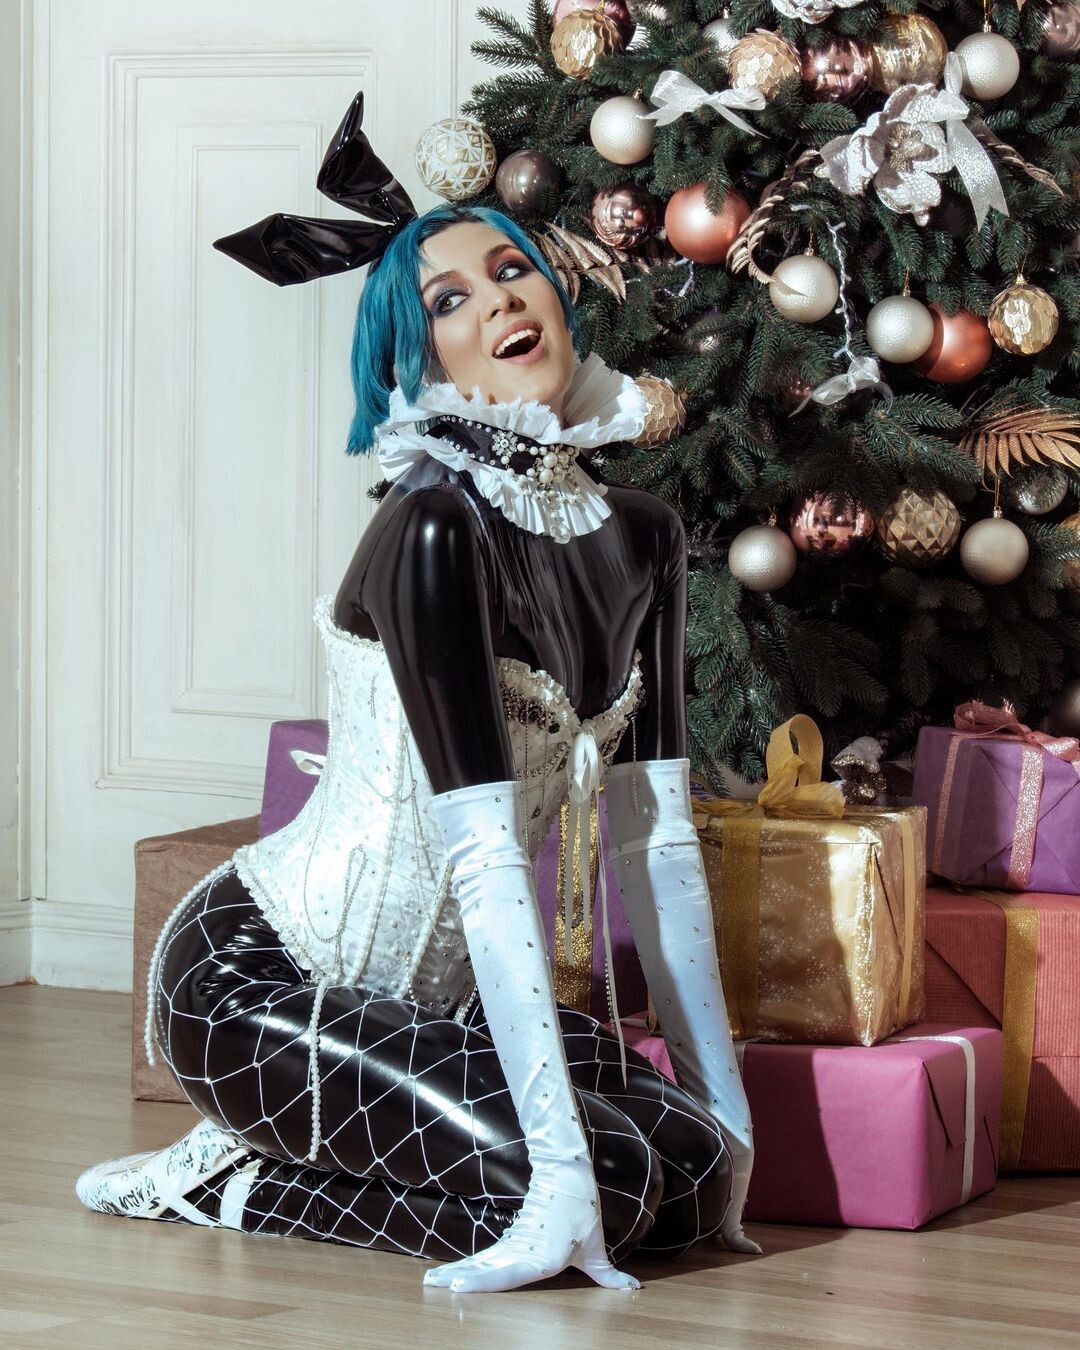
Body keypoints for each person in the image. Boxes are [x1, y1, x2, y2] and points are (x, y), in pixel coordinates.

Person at [74, 93, 757, 1294]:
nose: (497, 302)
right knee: (596, 1185)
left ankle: (387, 1158)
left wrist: (727, 1116)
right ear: (417, 355)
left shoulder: (641, 533)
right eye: (449, 300)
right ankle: (220, 1177)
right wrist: (555, 1178)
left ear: (556, 293)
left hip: (439, 1012)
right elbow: (485, 860)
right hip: (258, 986)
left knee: (690, 1176)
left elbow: (658, 844)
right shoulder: (432, 526)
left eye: (512, 270)